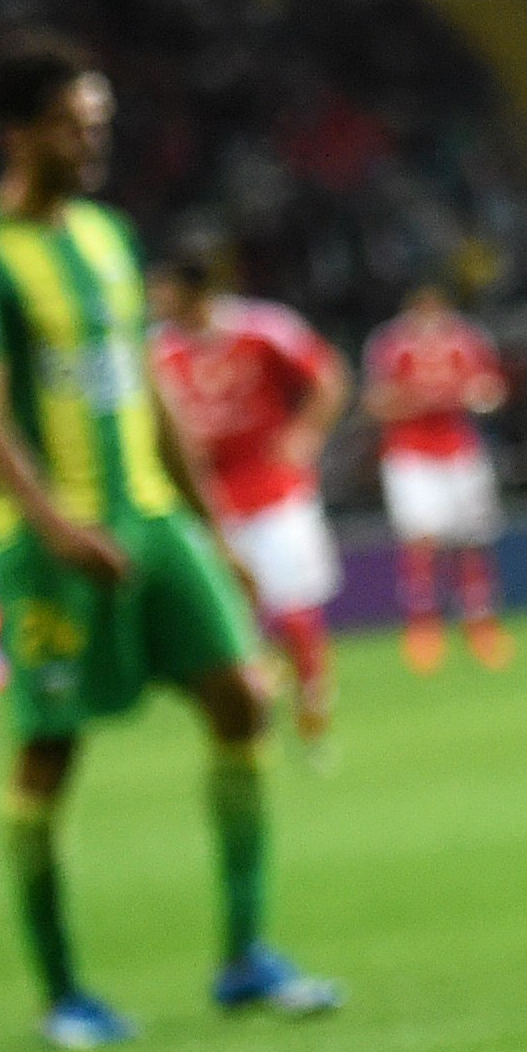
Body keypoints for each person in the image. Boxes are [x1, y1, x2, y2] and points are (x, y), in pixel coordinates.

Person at [0, 38, 344, 1047]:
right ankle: (63, 992)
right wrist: (56, 526)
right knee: (49, 751)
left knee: (242, 698)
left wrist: (215, 528)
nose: (94, 139)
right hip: (48, 542)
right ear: (20, 135)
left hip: (151, 519)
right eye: (75, 124)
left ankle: (245, 956)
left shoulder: (109, 238)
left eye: (101, 122)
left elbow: (150, 392)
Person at [147, 253, 352, 766]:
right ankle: (253, 723)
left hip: (275, 490)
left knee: (296, 610)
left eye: (163, 288)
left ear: (190, 290)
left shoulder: (264, 329)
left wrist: (306, 434)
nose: (155, 299)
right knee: (230, 623)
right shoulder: (156, 353)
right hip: (209, 505)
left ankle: (312, 714)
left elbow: (329, 375)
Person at [362, 278, 513, 673]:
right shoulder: (390, 344)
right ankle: (423, 628)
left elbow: (491, 390)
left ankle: (480, 625)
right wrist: (417, 401)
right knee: (421, 541)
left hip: (460, 450)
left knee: (472, 540)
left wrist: (474, 396)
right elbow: (375, 402)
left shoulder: (467, 339)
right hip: (411, 454)